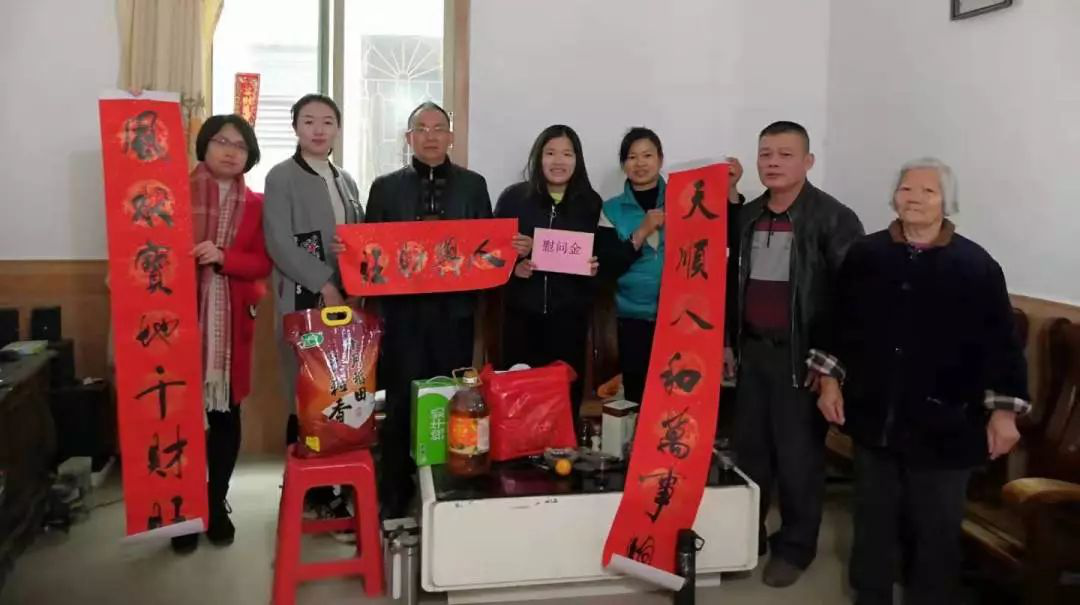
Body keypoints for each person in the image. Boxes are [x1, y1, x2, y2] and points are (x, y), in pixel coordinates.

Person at [811, 158, 1027, 605]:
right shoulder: (867, 255)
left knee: (935, 529)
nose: (914, 198)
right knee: (872, 519)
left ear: (947, 202)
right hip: (876, 416)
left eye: (928, 191)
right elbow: (837, 323)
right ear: (894, 197)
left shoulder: (975, 265)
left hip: (948, 423)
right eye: (907, 189)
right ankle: (870, 595)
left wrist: (1003, 414)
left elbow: (1001, 345)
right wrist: (829, 382)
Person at [728, 121, 864, 587]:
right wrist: (728, 342)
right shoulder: (747, 216)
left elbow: (850, 301)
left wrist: (828, 365)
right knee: (750, 453)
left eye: (785, 155)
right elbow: (730, 286)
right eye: (765, 154)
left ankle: (796, 546)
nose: (773, 163)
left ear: (808, 161)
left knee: (798, 459)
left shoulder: (834, 218)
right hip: (752, 352)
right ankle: (746, 539)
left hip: (803, 360)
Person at [364, 101, 492, 519]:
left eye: (439, 128)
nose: (431, 136)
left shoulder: (473, 186)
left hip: (455, 314)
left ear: (451, 137)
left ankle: (449, 491)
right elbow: (371, 253)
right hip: (403, 316)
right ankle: (394, 497)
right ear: (409, 138)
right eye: (422, 128)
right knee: (401, 403)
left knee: (453, 401)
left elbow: (486, 248)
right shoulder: (385, 188)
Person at [172, 114, 271, 553]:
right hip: (177, 324)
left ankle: (215, 504)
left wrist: (223, 256)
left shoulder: (257, 204)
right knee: (180, 420)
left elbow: (262, 262)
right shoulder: (172, 195)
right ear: (204, 146)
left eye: (240, 145)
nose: (230, 151)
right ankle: (184, 510)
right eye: (221, 142)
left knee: (226, 417)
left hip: (230, 328)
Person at [263, 94, 362, 520]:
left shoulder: (346, 180)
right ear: (295, 128)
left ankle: (337, 484)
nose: (318, 129)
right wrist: (324, 283)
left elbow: (358, 237)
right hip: (305, 300)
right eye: (308, 121)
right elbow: (279, 242)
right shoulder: (281, 177)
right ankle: (307, 490)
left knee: (340, 393)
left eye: (327, 121)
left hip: (347, 302)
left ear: (338, 128)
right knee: (304, 393)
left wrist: (351, 267)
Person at [596, 127, 743, 405]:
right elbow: (607, 266)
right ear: (623, 164)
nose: (640, 163)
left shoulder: (687, 196)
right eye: (632, 157)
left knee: (679, 400)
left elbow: (727, 234)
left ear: (660, 159)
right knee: (639, 396)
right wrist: (642, 231)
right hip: (634, 317)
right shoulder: (611, 209)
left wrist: (730, 188)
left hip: (683, 316)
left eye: (647, 155)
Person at [493, 125, 601, 418]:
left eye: (567, 154)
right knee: (519, 395)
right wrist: (513, 268)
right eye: (550, 153)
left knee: (563, 396)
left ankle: (564, 445)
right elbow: (491, 254)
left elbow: (601, 258)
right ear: (538, 158)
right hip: (521, 317)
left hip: (569, 318)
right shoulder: (513, 198)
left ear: (577, 160)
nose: (558, 161)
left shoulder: (591, 204)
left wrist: (593, 268)